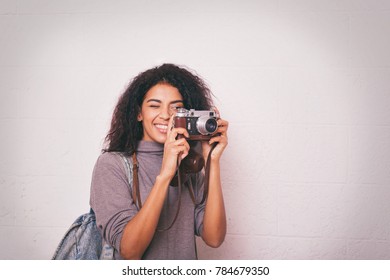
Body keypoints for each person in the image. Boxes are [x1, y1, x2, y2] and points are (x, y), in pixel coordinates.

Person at [90, 63, 229, 260]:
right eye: (154, 106)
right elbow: (130, 251)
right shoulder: (112, 165)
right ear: (139, 113)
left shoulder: (189, 164)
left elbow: (214, 238)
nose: (165, 115)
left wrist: (212, 161)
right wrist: (165, 174)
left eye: (177, 108)